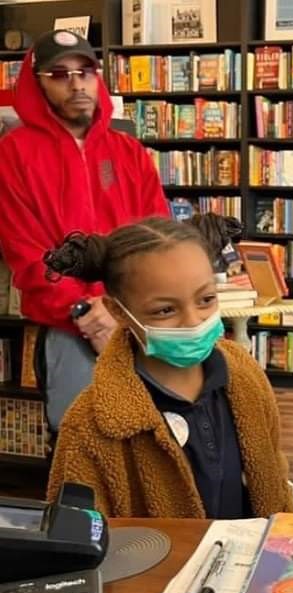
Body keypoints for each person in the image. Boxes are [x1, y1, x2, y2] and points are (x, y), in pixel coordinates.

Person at [43, 217, 293, 518]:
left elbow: (273, 481)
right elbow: (78, 540)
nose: (193, 321)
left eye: (206, 299)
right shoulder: (88, 428)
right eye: (165, 310)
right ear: (117, 311)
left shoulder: (245, 377)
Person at [0, 30, 168, 432]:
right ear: (36, 82)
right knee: (82, 442)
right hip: (70, 326)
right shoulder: (13, 154)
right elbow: (28, 255)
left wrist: (122, 311)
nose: (76, 83)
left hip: (138, 320)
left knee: (163, 436)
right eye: (59, 74)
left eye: (85, 71)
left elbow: (160, 240)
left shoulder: (128, 152)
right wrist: (88, 314)